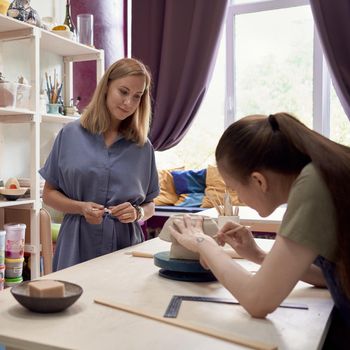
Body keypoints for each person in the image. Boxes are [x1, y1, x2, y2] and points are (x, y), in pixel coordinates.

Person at [169, 112, 350, 348]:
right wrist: (258, 256)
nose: (238, 198)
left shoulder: (313, 185)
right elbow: (330, 276)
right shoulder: (321, 171)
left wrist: (203, 242)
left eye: (235, 189)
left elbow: (258, 301)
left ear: (258, 181)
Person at [40, 58, 160, 271]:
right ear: (106, 87)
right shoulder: (69, 135)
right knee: (73, 302)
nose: (128, 103)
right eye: (123, 92)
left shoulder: (143, 147)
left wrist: (137, 213)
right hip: (76, 245)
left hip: (125, 249)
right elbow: (48, 195)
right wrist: (80, 207)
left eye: (137, 97)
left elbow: (150, 204)